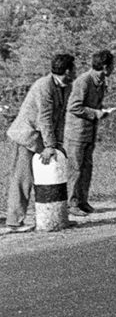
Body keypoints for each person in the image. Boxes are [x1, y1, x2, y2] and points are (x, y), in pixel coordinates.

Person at [5, 53, 76, 232]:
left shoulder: (66, 86)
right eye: (74, 68)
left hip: (41, 135)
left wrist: (57, 144)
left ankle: (53, 216)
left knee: (47, 175)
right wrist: (50, 146)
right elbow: (44, 118)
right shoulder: (44, 86)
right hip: (27, 135)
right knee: (23, 178)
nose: (76, 71)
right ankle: (14, 221)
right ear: (67, 71)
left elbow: (59, 118)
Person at [65, 50, 115, 217]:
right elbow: (73, 107)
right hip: (76, 133)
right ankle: (71, 204)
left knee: (86, 168)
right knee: (75, 168)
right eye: (112, 65)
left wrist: (103, 111)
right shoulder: (83, 81)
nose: (114, 68)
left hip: (89, 131)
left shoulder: (101, 82)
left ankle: (82, 201)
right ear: (106, 67)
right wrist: (96, 113)